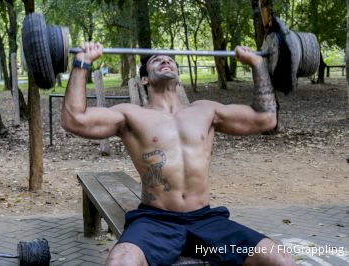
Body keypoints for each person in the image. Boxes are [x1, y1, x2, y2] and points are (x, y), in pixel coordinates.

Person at [61, 42, 295, 266]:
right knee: (121, 260)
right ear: (144, 79)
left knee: (279, 259)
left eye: (170, 59)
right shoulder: (130, 115)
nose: (165, 60)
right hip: (156, 222)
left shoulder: (206, 110)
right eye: (156, 59)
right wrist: (82, 63)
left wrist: (258, 64)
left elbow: (266, 118)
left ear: (178, 76)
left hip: (206, 222)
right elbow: (74, 120)